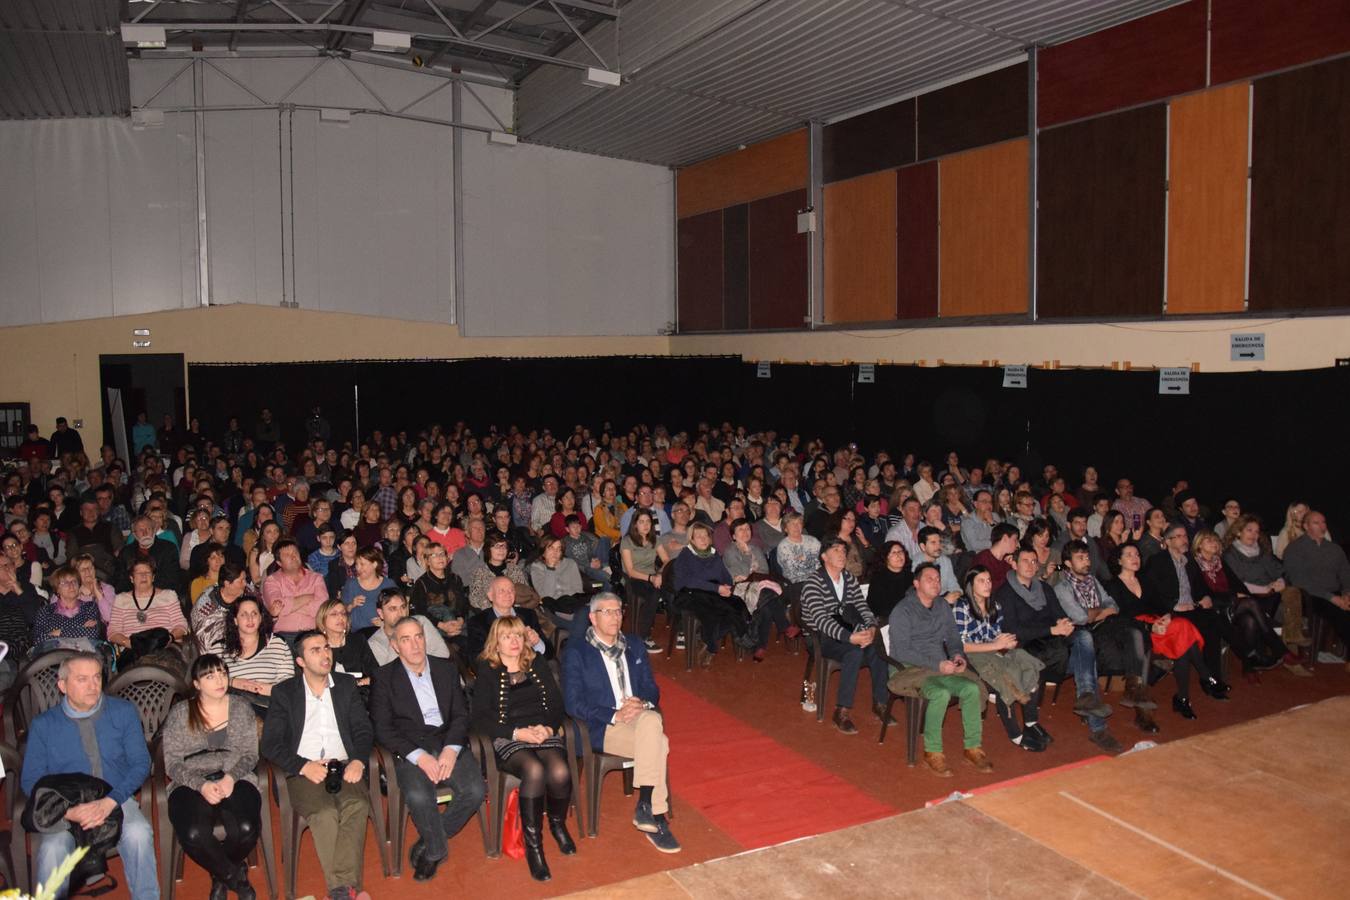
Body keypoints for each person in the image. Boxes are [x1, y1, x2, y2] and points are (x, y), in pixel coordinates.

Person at [21, 651, 158, 899]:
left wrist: (110, 801)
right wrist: (67, 811)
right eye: (82, 679)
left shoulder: (123, 711)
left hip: (115, 798)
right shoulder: (44, 725)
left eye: (97, 677)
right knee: (52, 850)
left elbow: (140, 762)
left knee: (139, 834)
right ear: (62, 685)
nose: (93, 686)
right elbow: (30, 780)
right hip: (66, 806)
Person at [370, 617, 487, 882]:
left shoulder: (445, 669)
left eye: (418, 637)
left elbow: (461, 715)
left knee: (476, 790)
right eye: (406, 639)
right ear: (395, 645)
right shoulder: (384, 677)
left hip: (447, 740)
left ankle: (428, 842)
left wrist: (451, 749)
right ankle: (435, 851)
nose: (415, 645)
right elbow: (383, 728)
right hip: (410, 748)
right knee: (420, 797)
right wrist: (419, 757)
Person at [260, 631, 374, 900]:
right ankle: (346, 889)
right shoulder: (285, 693)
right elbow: (270, 744)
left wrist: (357, 759)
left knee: (356, 804)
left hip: (343, 764)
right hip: (303, 771)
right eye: (315, 650)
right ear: (300, 661)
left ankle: (339, 891)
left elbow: (363, 729)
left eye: (326, 648)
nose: (325, 654)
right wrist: (302, 766)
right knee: (324, 813)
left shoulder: (346, 685)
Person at [562, 593, 679, 853]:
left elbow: (652, 688)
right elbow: (573, 703)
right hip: (603, 725)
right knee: (659, 741)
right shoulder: (576, 652)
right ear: (592, 618)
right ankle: (655, 814)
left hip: (637, 717)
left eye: (618, 611)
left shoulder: (635, 645)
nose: (615, 617)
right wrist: (614, 714)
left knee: (650, 719)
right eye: (607, 612)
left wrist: (641, 703)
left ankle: (646, 806)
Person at [471, 616, 575, 881]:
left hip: (540, 731)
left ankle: (557, 823)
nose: (515, 641)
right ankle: (534, 847)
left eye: (518, 635)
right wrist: (517, 733)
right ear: (496, 642)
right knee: (535, 770)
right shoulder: (487, 669)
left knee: (561, 771)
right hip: (508, 735)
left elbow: (556, 704)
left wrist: (549, 729)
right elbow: (480, 717)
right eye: (507, 637)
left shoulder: (536, 662)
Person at [995, 547, 1123, 753]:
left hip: (1054, 647)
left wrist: (1064, 624)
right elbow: (1013, 631)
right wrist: (1052, 629)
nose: (1030, 565)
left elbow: (1059, 614)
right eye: (1025, 561)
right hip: (1028, 652)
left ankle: (1090, 705)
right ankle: (1095, 721)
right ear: (1014, 564)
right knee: (1086, 662)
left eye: (1034, 561)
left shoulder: (1044, 588)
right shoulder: (1005, 593)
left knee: (1084, 639)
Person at [162, 654, 263, 900]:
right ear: (196, 684)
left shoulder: (240, 707)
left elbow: (250, 755)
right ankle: (232, 876)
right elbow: (172, 763)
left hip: (235, 776)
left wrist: (231, 778)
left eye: (222, 673)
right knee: (195, 833)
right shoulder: (181, 712)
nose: (219, 680)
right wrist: (201, 785)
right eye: (210, 675)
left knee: (246, 828)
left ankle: (219, 876)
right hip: (191, 780)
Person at [888, 563, 992, 777]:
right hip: (909, 669)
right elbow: (901, 651)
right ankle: (932, 752)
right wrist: (938, 664)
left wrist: (957, 656)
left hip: (940, 666)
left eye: (937, 579)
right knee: (940, 693)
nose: (936, 583)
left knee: (972, 688)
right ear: (916, 584)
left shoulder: (942, 606)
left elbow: (954, 638)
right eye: (929, 579)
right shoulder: (902, 611)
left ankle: (973, 747)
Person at [1105, 544, 1222, 719]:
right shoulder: (1112, 585)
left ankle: (1185, 697)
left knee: (1181, 631)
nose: (1135, 558)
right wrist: (1151, 626)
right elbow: (1119, 617)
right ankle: (1204, 678)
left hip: (1157, 622)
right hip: (1136, 629)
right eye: (1129, 555)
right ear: (1119, 560)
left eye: (1137, 554)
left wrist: (1167, 616)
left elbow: (1162, 604)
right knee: (1182, 632)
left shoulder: (1144, 580)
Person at [1053, 541, 1158, 733]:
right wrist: (1101, 612)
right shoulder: (1062, 588)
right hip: (1086, 636)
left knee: (1135, 632)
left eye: (1087, 557)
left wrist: (1097, 613)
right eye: (1080, 558)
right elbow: (1081, 617)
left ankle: (1135, 688)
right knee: (1136, 631)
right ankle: (1138, 691)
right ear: (1068, 563)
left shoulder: (1094, 581)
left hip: (1106, 628)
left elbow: (1113, 605)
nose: (1087, 561)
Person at [799, 538, 889, 734]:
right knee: (854, 652)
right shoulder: (814, 582)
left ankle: (881, 703)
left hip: (847, 629)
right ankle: (842, 711)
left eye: (843, 550)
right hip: (821, 637)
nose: (842, 554)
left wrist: (871, 627)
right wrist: (850, 638)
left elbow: (862, 606)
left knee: (877, 645)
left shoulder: (848, 578)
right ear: (824, 557)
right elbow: (822, 621)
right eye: (836, 550)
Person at [953, 566, 1047, 751]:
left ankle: (1030, 722)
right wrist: (997, 645)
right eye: (981, 581)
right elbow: (962, 645)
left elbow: (997, 635)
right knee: (1007, 680)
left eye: (989, 580)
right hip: (972, 655)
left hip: (994, 650)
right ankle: (1015, 735)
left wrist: (1006, 642)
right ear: (970, 586)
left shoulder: (995, 605)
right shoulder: (962, 606)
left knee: (1032, 666)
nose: (988, 584)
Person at [1140, 523, 1235, 691]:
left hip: (1192, 609)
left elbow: (1200, 587)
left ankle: (1214, 678)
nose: (1185, 540)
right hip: (1173, 612)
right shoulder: (1158, 561)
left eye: (1186, 536)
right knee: (1208, 624)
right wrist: (1172, 607)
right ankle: (1212, 678)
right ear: (1167, 541)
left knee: (1213, 622)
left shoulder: (1189, 561)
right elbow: (1151, 593)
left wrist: (1205, 597)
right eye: (1180, 536)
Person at [1223, 513, 1310, 660]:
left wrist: (1280, 582)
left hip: (1271, 595)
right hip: (1249, 599)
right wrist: (1264, 589)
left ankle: (1292, 640)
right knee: (1281, 609)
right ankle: (1285, 652)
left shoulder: (1262, 552)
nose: (1254, 535)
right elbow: (1236, 584)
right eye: (1249, 530)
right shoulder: (1230, 554)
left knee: (1293, 593)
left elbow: (1280, 571)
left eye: (1257, 531)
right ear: (1238, 532)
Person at [1281, 510, 1350, 668]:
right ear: (1306, 526)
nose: (1322, 526)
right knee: (1339, 613)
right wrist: (1333, 598)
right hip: (1310, 596)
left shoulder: (1334, 549)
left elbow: (1346, 574)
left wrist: (1347, 593)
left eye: (1323, 522)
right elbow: (1300, 581)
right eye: (1316, 523)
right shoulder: (1295, 549)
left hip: (1335, 592)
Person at [108, 558, 188, 660]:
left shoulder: (169, 595)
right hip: (133, 651)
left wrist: (170, 638)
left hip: (164, 649)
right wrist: (130, 643)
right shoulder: (121, 599)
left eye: (147, 572)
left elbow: (181, 624)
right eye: (139, 573)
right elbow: (113, 631)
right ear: (131, 578)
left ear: (153, 577)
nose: (144, 576)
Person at [222, 596, 295, 708]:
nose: (250, 619)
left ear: (261, 618)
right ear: (235, 620)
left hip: (269, 709)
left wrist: (262, 689)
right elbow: (208, 682)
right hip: (232, 709)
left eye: (254, 614)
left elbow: (288, 687)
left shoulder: (278, 644)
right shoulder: (220, 648)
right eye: (243, 614)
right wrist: (233, 682)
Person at [261, 540, 329, 643]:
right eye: (287, 555)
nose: (293, 557)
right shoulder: (272, 581)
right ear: (279, 563)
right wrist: (309, 597)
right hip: (283, 636)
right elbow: (277, 607)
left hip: (312, 634)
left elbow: (322, 608)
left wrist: (289, 606)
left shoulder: (316, 578)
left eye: (295, 553)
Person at [619, 510, 669, 650]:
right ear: (635, 524)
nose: (646, 525)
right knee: (653, 594)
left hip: (653, 576)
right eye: (641, 522)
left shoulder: (654, 539)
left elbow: (666, 560)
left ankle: (681, 630)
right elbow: (630, 571)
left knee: (674, 589)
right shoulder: (627, 541)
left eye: (648, 521)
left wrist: (659, 574)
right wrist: (651, 578)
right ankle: (643, 636)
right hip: (635, 578)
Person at [467, 577, 547, 662]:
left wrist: (537, 643)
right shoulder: (478, 622)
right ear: (490, 596)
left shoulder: (528, 615)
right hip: (500, 671)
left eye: (511, 590)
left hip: (532, 667)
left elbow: (550, 653)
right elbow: (477, 659)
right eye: (502, 591)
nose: (508, 594)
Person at [368, 588, 451, 667]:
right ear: (381, 613)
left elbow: (443, 654)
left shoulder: (421, 622)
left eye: (403, 607)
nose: (400, 613)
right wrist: (397, 634)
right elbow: (388, 674)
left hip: (436, 675)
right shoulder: (375, 643)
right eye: (393, 609)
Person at [33, 565, 104, 653]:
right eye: (65, 583)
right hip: (54, 658)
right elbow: (39, 640)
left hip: (83, 656)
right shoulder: (46, 611)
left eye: (74, 581)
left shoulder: (89, 606)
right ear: (57, 589)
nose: (71, 585)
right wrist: (81, 629)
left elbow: (92, 633)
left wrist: (58, 632)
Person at [316, 599, 378, 686]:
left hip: (361, 692)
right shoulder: (317, 645)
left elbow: (375, 672)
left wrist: (358, 683)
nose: (340, 617)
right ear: (322, 619)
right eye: (334, 614)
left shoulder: (358, 640)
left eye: (343, 613)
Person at [866, 541, 914, 620]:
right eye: (894, 553)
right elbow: (877, 608)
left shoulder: (910, 576)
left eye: (901, 551)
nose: (899, 555)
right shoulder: (878, 579)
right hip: (889, 619)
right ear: (885, 557)